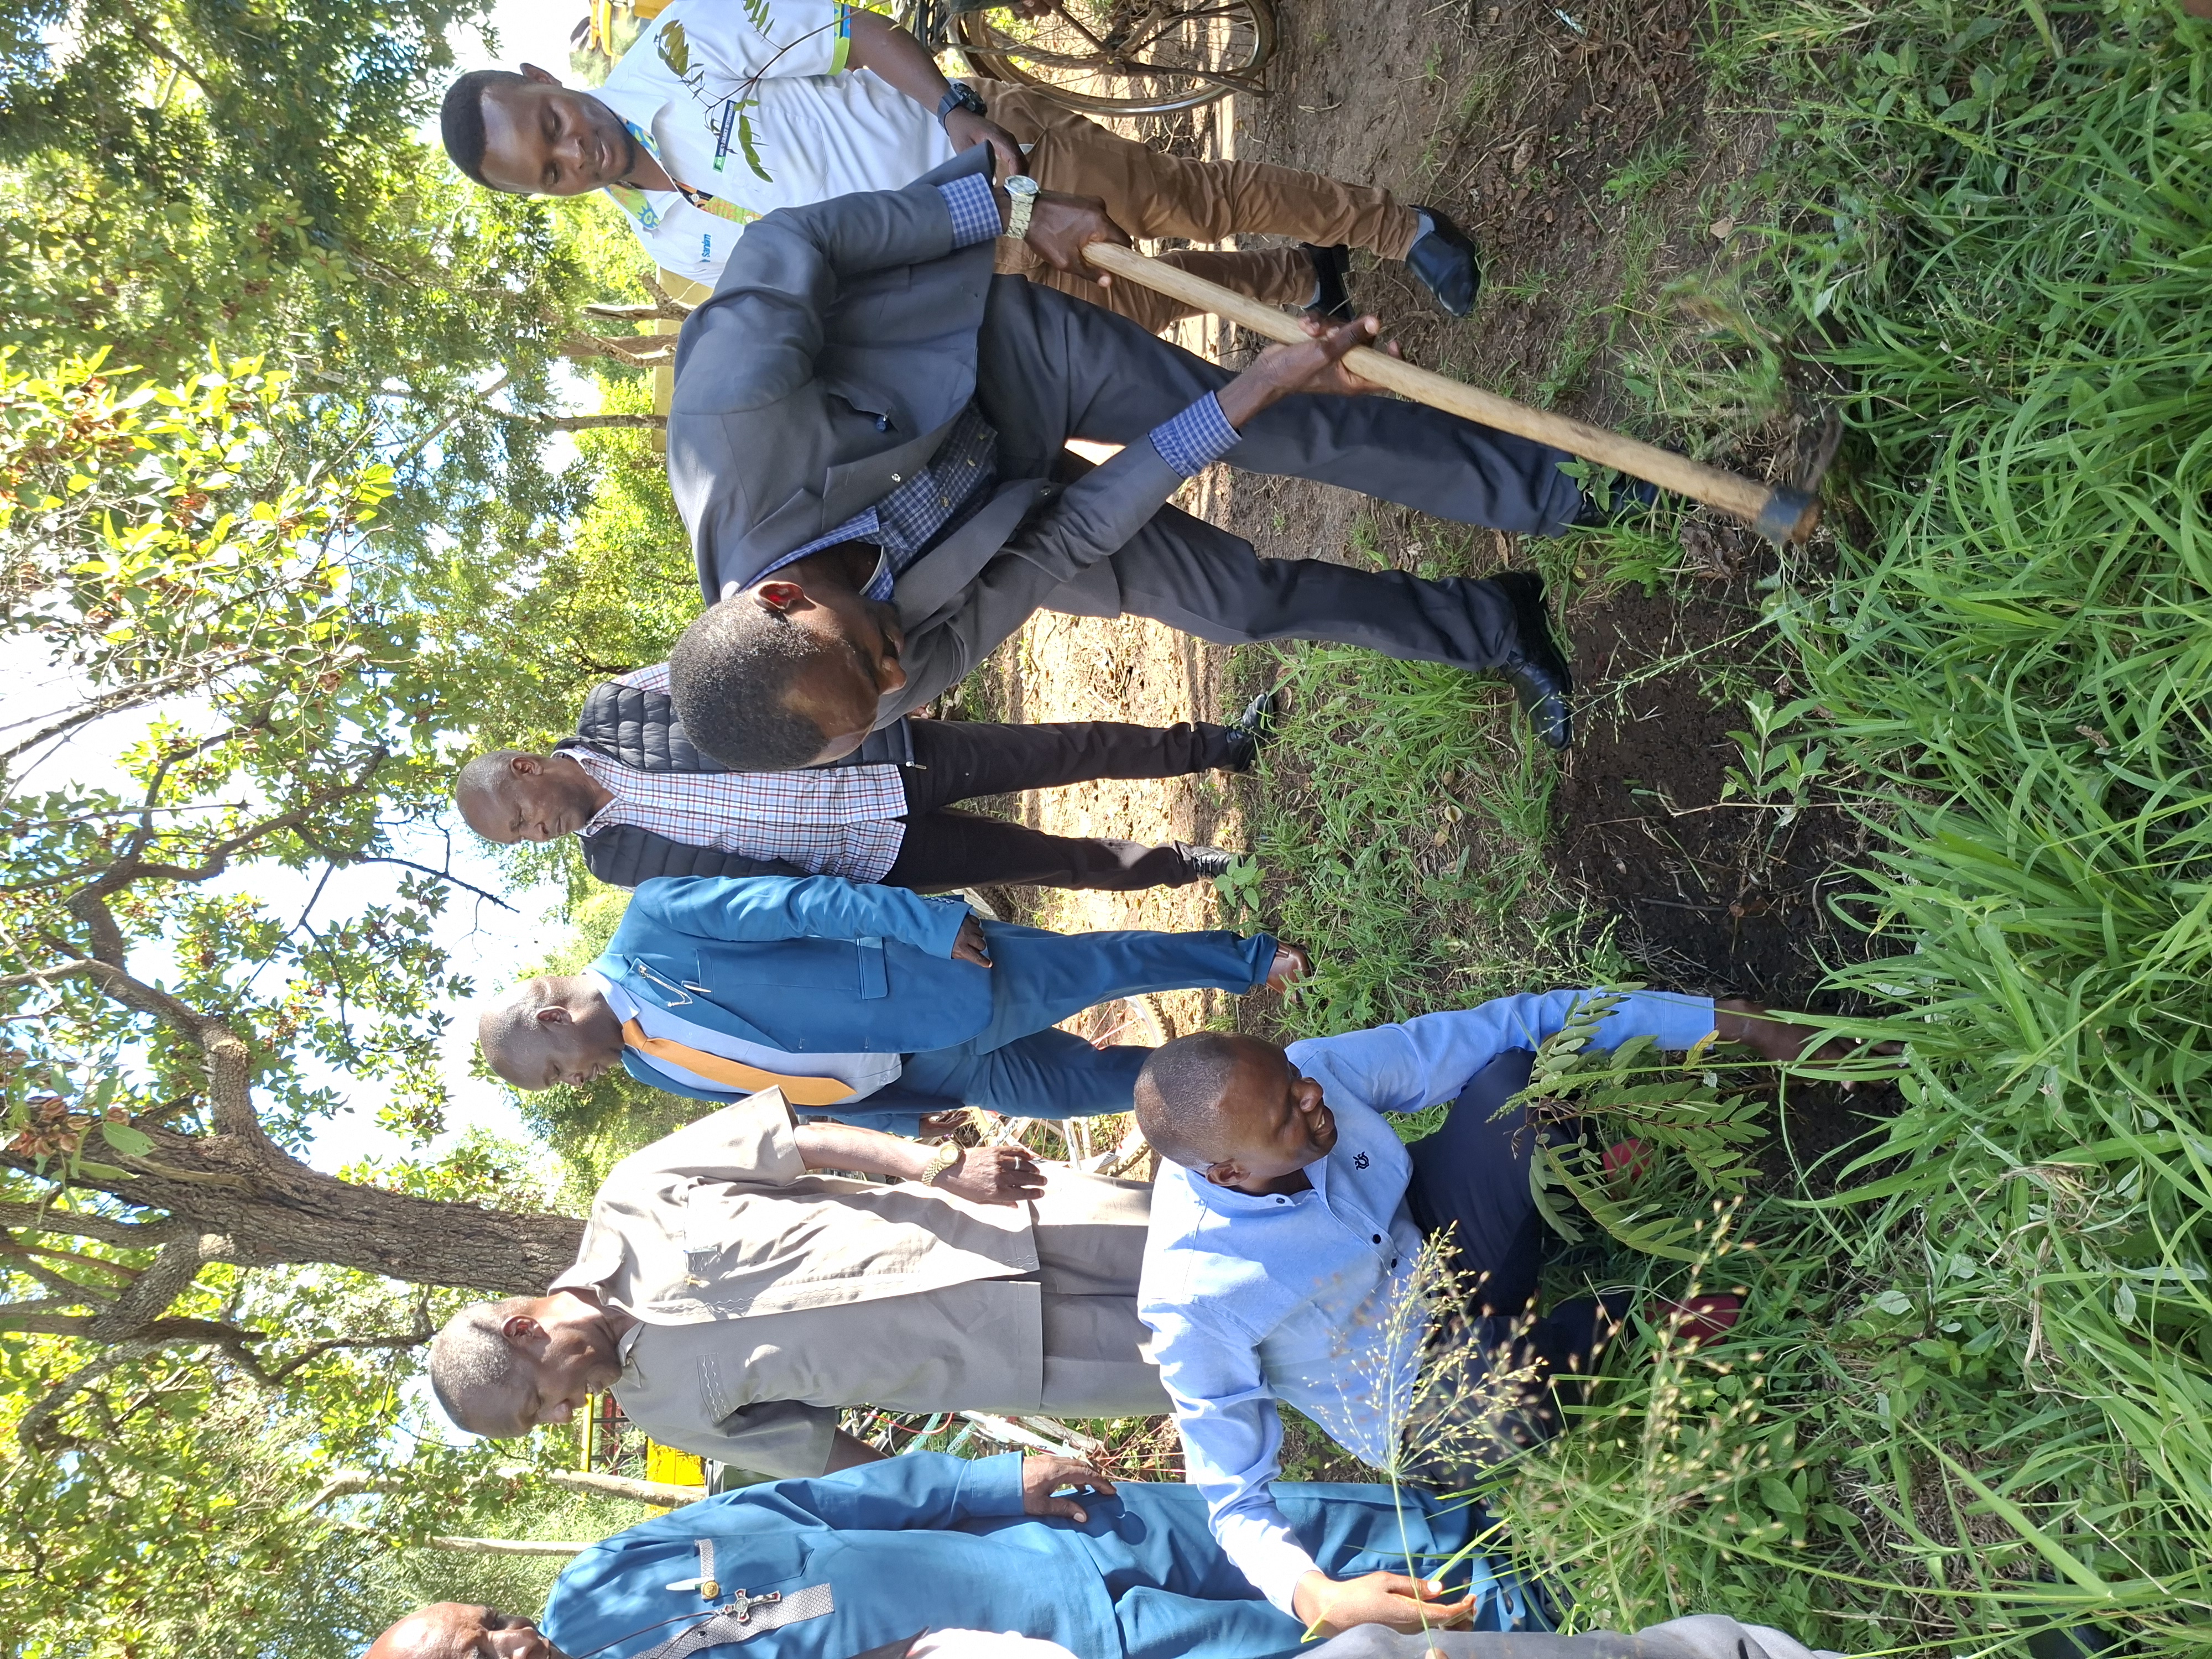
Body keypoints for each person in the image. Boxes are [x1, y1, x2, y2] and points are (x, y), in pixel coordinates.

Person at [660, 152, 1595, 767]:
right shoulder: (861, 700)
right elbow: (1057, 547)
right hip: (1004, 520)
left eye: (872, 660)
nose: (903, 675)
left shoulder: (731, 426)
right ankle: (1494, 625)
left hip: (995, 360)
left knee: (1290, 429)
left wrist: (1011, 207)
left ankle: (1566, 489)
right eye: (879, 697)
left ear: (783, 599)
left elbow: (792, 241)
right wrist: (1240, 394)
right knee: (1239, 605)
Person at [1129, 992, 1861, 1616]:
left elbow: (1516, 1025)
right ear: (1227, 1171)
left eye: (1292, 1076)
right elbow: (1231, 1500)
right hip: (1418, 1395)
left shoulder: (1321, 1075)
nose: (1311, 1095)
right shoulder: (1196, 1290)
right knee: (1510, 1399)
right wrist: (1314, 1596)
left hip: (1439, 1251)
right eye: (1287, 1115)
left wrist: (1737, 1023)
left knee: (1514, 1084)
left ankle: (1587, 1195)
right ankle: (1637, 1325)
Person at [435, 0, 1485, 331]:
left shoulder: (674, 50)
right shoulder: (668, 246)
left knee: (1189, 200)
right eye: (553, 170)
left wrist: (952, 110)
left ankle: (1400, 229)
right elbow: (828, 285)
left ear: (544, 77)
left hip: (992, 159)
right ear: (547, 197)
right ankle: (1297, 279)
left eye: (555, 121)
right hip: (970, 264)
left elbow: (848, 27)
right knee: (1147, 303)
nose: (578, 150)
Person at [429, 1104, 1185, 1475]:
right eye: (544, 1423)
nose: (565, 1417)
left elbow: (799, 1142)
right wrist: (968, 1491)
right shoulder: (667, 1414)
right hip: (1032, 1363)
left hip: (1009, 1224)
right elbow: (826, 1455)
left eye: (540, 1404)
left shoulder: (634, 1194)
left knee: (1236, 1239)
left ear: (526, 1334)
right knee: (1240, 1366)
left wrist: (938, 1166)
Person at [361, 1450, 1539, 1659]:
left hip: (1050, 1538)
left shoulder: (603, 1577)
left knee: (1300, 1530)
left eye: (486, 1633)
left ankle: (1531, 1531)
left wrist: (987, 1480)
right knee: (1333, 1643)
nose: (509, 1651)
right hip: (1080, 1651)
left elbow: (817, 1500)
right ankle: (1570, 1623)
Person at [477, 872, 1308, 1130]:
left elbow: (800, 904)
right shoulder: (655, 1074)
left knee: (1106, 967)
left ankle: (1253, 960)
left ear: (554, 1019)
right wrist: (902, 1119)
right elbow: (786, 1105)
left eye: (559, 1072)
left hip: (934, 973)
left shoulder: (655, 920)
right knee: (1099, 1090)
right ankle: (1264, 1083)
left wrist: (928, 924)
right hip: (937, 1078)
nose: (578, 1082)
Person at [453, 661, 1276, 893]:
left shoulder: (617, 706)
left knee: (1059, 749)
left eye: (521, 817)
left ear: (527, 769)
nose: (537, 835)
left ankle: (1219, 746)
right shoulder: (614, 864)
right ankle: (1187, 867)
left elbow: (735, 671)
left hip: (881, 763)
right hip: (868, 863)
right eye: (522, 839)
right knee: (1046, 860)